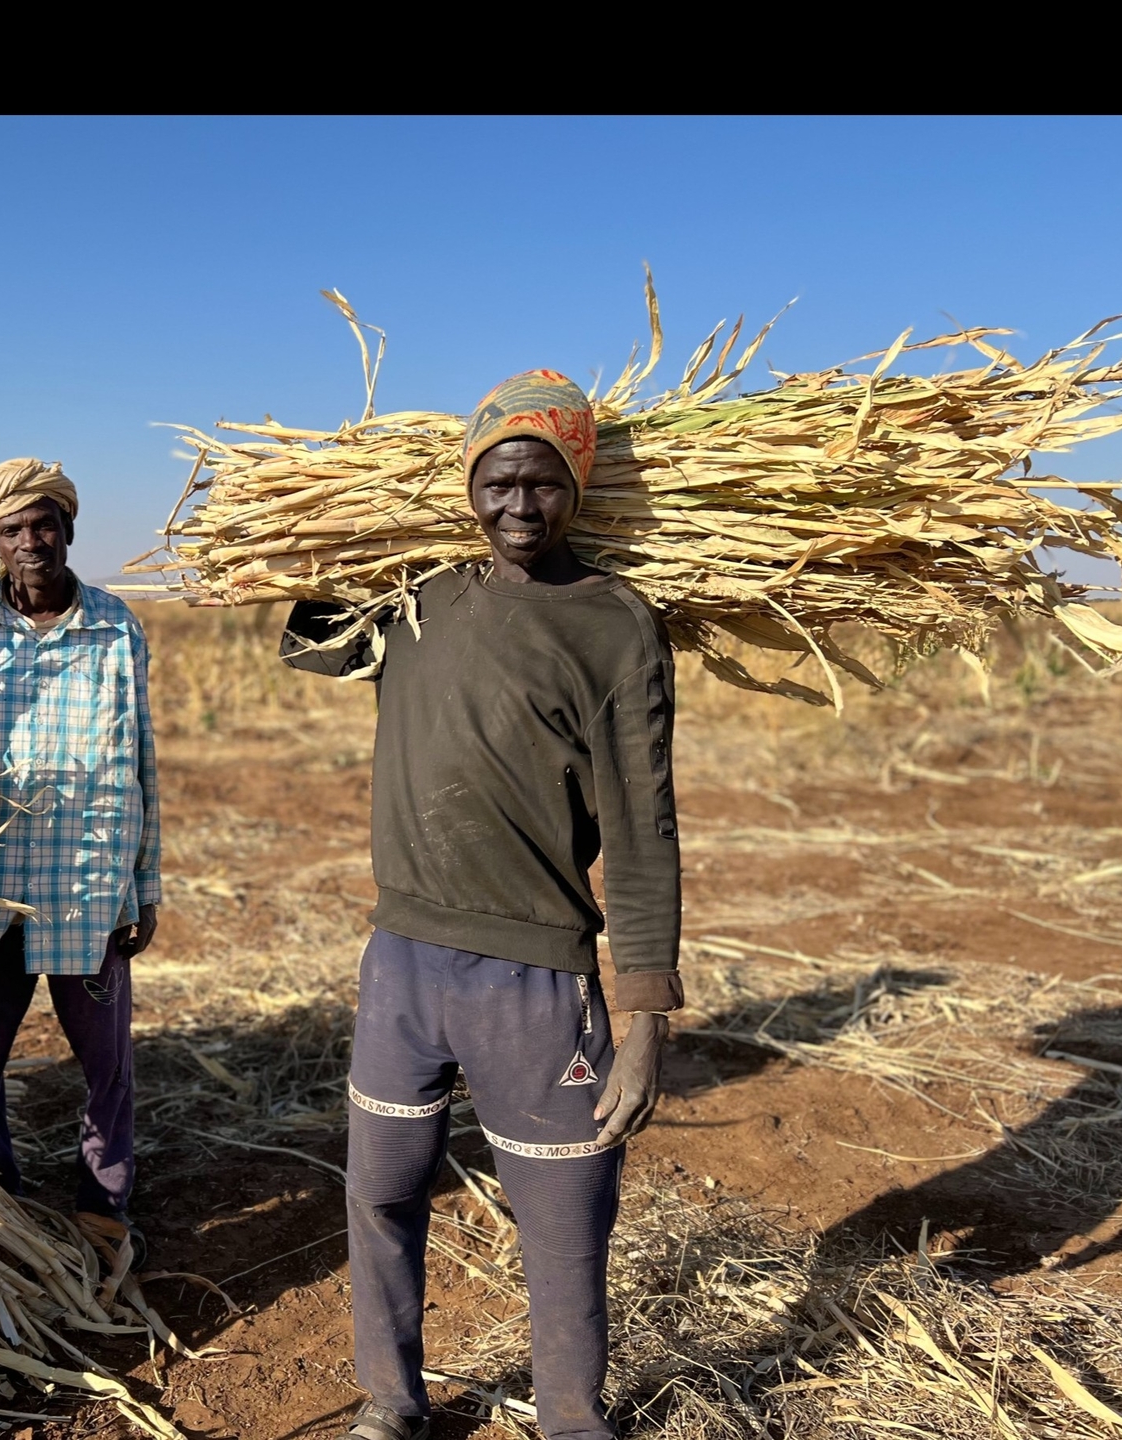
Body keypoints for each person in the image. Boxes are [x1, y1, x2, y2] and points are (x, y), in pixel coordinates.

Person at [281, 371, 681, 1440]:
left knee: (562, 1225)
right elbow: (308, 642)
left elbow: (645, 833)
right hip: (403, 963)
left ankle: (569, 1418)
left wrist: (644, 1018)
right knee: (382, 1195)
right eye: (497, 482)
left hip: (536, 978)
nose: (519, 506)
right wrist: (329, 525)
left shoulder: (614, 625)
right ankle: (392, 1401)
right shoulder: (418, 599)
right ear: (466, 487)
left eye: (543, 484)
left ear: (578, 490)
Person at [0, 457, 161, 1269]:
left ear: (68, 529)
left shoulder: (115, 628)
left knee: (106, 1061)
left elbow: (140, 758)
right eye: (12, 530)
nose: (31, 541)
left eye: (43, 525)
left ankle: (102, 1203)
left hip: (85, 884)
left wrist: (144, 883)